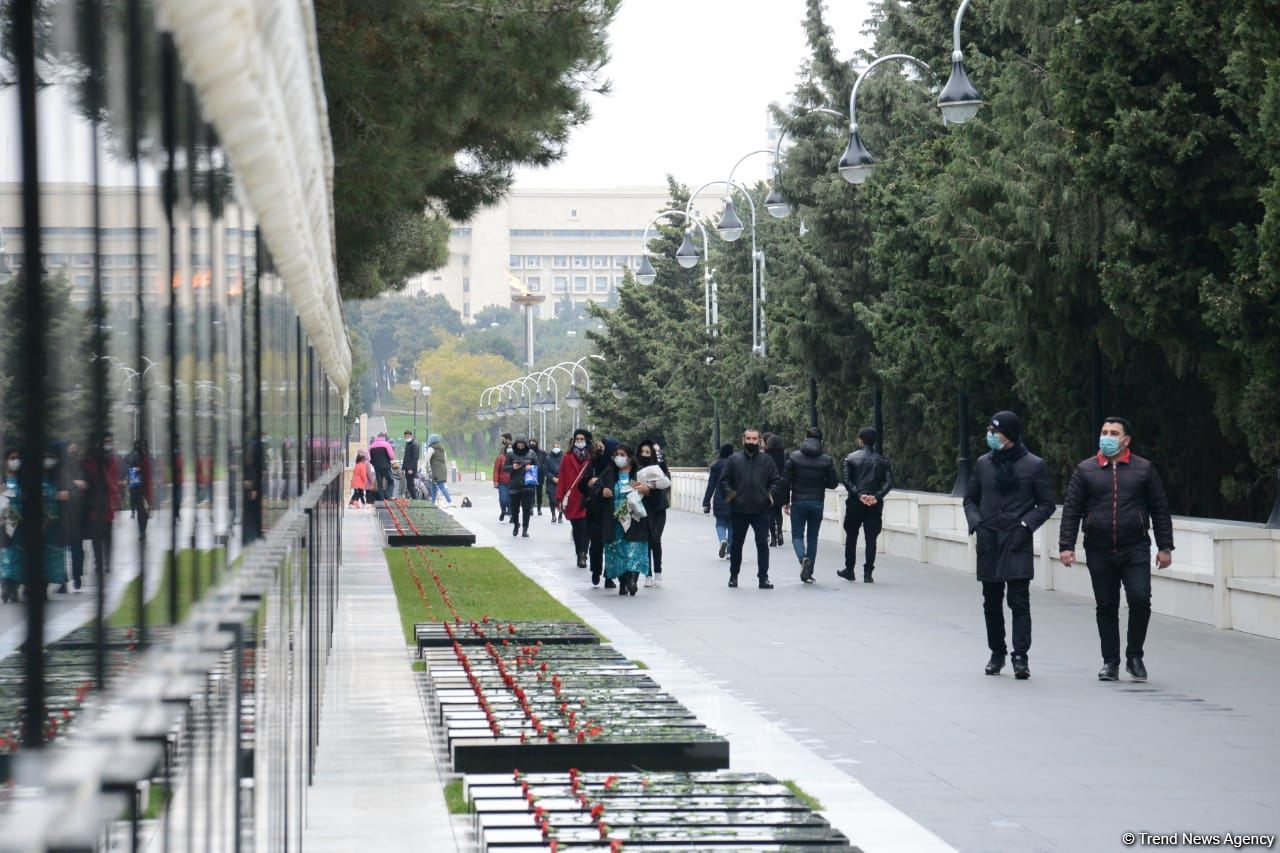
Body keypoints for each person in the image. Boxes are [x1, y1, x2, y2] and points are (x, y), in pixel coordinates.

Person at [1058, 417, 1174, 683]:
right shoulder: (1085, 470)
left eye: (1113, 433)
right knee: (1106, 606)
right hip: (1099, 548)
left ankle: (1135, 656)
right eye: (1104, 432)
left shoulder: (1144, 469)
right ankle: (1110, 661)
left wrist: (1165, 546)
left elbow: (1160, 509)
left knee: (1140, 599)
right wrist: (1066, 545)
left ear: (1126, 440)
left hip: (1135, 546)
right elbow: (1072, 509)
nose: (1107, 436)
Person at [963, 411, 1056, 680]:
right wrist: (976, 522)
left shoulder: (1034, 465)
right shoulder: (983, 464)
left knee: (1019, 600)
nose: (991, 436)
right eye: (989, 431)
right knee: (991, 601)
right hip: (989, 538)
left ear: (1011, 435)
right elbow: (970, 498)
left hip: (1016, 539)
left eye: (996, 432)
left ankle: (1020, 656)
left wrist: (1026, 526)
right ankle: (997, 652)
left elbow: (1047, 503)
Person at [721, 428, 782, 589]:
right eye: (748, 439)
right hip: (739, 510)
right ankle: (733, 576)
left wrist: (769, 497)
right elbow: (724, 480)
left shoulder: (767, 461)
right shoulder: (733, 460)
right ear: (743, 440)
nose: (751, 442)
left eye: (754, 439)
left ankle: (763, 578)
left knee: (762, 544)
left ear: (760, 441)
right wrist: (731, 496)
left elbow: (776, 481)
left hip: (761, 510)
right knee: (736, 545)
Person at [777, 427, 838, 584]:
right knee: (813, 537)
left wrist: (785, 501)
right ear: (821, 441)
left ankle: (803, 559)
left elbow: (785, 482)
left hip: (798, 501)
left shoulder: (794, 457)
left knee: (797, 535)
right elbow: (833, 483)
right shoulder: (826, 459)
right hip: (817, 501)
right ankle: (809, 572)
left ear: (805, 439)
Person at [590, 442, 651, 596]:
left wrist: (646, 489)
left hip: (635, 520)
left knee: (634, 550)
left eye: (622, 455)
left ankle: (633, 580)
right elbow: (595, 488)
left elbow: (653, 491)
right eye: (616, 455)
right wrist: (602, 491)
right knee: (618, 551)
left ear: (630, 458)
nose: (619, 458)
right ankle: (623, 582)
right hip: (614, 520)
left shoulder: (638, 474)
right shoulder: (610, 473)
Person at [840, 427, 894, 583]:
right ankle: (868, 573)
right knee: (871, 539)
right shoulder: (882, 460)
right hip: (874, 505)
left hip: (855, 503)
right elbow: (889, 482)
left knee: (851, 536)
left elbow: (847, 481)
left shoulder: (850, 458)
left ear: (860, 440)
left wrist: (858, 495)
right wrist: (876, 497)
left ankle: (849, 569)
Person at [556, 429, 595, 575]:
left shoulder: (591, 458)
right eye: (577, 439)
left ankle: (583, 554)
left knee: (585, 527)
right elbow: (562, 478)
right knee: (577, 528)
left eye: (582, 439)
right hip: (572, 498)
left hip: (586, 497)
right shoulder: (567, 457)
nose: (579, 441)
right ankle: (579, 550)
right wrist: (559, 498)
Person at [636, 439, 672, 587]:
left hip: (658, 508)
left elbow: (667, 480)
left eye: (647, 452)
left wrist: (651, 486)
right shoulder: (635, 468)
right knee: (646, 541)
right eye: (642, 452)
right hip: (643, 508)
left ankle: (658, 571)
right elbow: (629, 483)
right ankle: (648, 574)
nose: (644, 455)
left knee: (656, 539)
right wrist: (639, 486)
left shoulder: (659, 467)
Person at [580, 438, 613, 586]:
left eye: (602, 446)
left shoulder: (615, 467)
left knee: (611, 545)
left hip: (611, 509)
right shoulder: (592, 463)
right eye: (598, 446)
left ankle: (610, 575)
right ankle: (596, 570)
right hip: (594, 509)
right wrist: (588, 482)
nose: (599, 448)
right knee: (596, 543)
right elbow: (582, 484)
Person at [702, 444, 734, 559]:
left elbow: (710, 486)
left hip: (719, 498)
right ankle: (730, 551)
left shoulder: (715, 466)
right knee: (732, 526)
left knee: (720, 523)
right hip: (733, 498)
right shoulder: (736, 464)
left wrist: (706, 502)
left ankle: (722, 540)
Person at [504, 436, 538, 537]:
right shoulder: (511, 454)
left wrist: (531, 467)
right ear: (515, 444)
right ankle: (516, 524)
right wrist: (513, 467)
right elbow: (504, 468)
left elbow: (537, 466)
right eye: (518, 443)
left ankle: (525, 528)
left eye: (522, 443)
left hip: (528, 485)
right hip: (514, 484)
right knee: (514, 508)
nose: (520, 445)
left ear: (525, 444)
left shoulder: (531, 453)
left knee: (526, 508)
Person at [0, 448, 23, 603]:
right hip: (3, 522)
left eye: (17, 458)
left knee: (17, 554)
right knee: (5, 555)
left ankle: (14, 587)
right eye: (12, 458)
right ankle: (5, 586)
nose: (15, 461)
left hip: (20, 522)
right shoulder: (2, 479)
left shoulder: (23, 480)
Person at [764, 433, 787, 547]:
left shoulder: (765, 456)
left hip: (769, 486)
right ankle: (780, 531)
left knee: (770, 512)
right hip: (781, 486)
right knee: (778, 511)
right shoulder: (784, 455)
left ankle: (773, 536)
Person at [126, 438, 153, 536]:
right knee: (141, 509)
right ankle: (142, 530)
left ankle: (142, 529)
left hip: (138, 485)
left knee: (141, 509)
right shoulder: (140, 457)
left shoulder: (141, 457)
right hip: (139, 485)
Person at [426, 434, 453, 506]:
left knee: (441, 486)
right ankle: (433, 502)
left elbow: (427, 460)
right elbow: (445, 459)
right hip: (443, 469)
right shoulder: (442, 448)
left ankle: (449, 501)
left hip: (435, 471)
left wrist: (428, 470)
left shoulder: (431, 448)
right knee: (433, 486)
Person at [368, 432, 395, 501]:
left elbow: (369, 458)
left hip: (377, 467)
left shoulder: (372, 446)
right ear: (384, 437)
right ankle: (388, 496)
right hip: (386, 466)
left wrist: (374, 463)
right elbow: (392, 456)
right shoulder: (386, 445)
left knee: (379, 483)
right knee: (391, 481)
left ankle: (382, 499)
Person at [492, 434, 512, 521]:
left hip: (513, 482)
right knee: (503, 499)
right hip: (502, 483)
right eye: (509, 447)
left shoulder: (515, 458)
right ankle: (503, 510)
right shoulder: (500, 458)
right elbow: (496, 470)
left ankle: (511, 515)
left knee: (511, 500)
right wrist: (495, 481)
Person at [544, 440, 564, 523]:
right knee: (552, 499)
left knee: (561, 499)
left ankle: (560, 515)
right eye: (554, 447)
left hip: (562, 482)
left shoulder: (564, 457)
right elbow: (546, 470)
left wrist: (562, 479)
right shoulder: (548, 458)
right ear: (552, 448)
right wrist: (553, 478)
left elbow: (566, 470)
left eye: (558, 447)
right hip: (551, 482)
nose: (556, 448)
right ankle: (553, 515)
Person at [529, 438, 547, 516]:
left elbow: (546, 462)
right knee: (531, 491)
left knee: (539, 492)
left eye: (534, 443)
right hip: (531, 474)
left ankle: (539, 508)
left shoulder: (542, 453)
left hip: (540, 475)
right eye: (530, 443)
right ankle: (531, 507)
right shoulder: (528, 452)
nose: (532, 444)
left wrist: (542, 467)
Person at [402, 429, 420, 500]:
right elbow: (406, 457)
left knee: (410, 485)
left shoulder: (414, 444)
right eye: (405, 436)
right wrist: (403, 468)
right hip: (407, 467)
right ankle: (414, 498)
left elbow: (415, 457)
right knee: (409, 485)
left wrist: (411, 468)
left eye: (408, 436)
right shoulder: (408, 444)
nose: (407, 437)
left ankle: (415, 499)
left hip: (411, 468)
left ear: (411, 435)